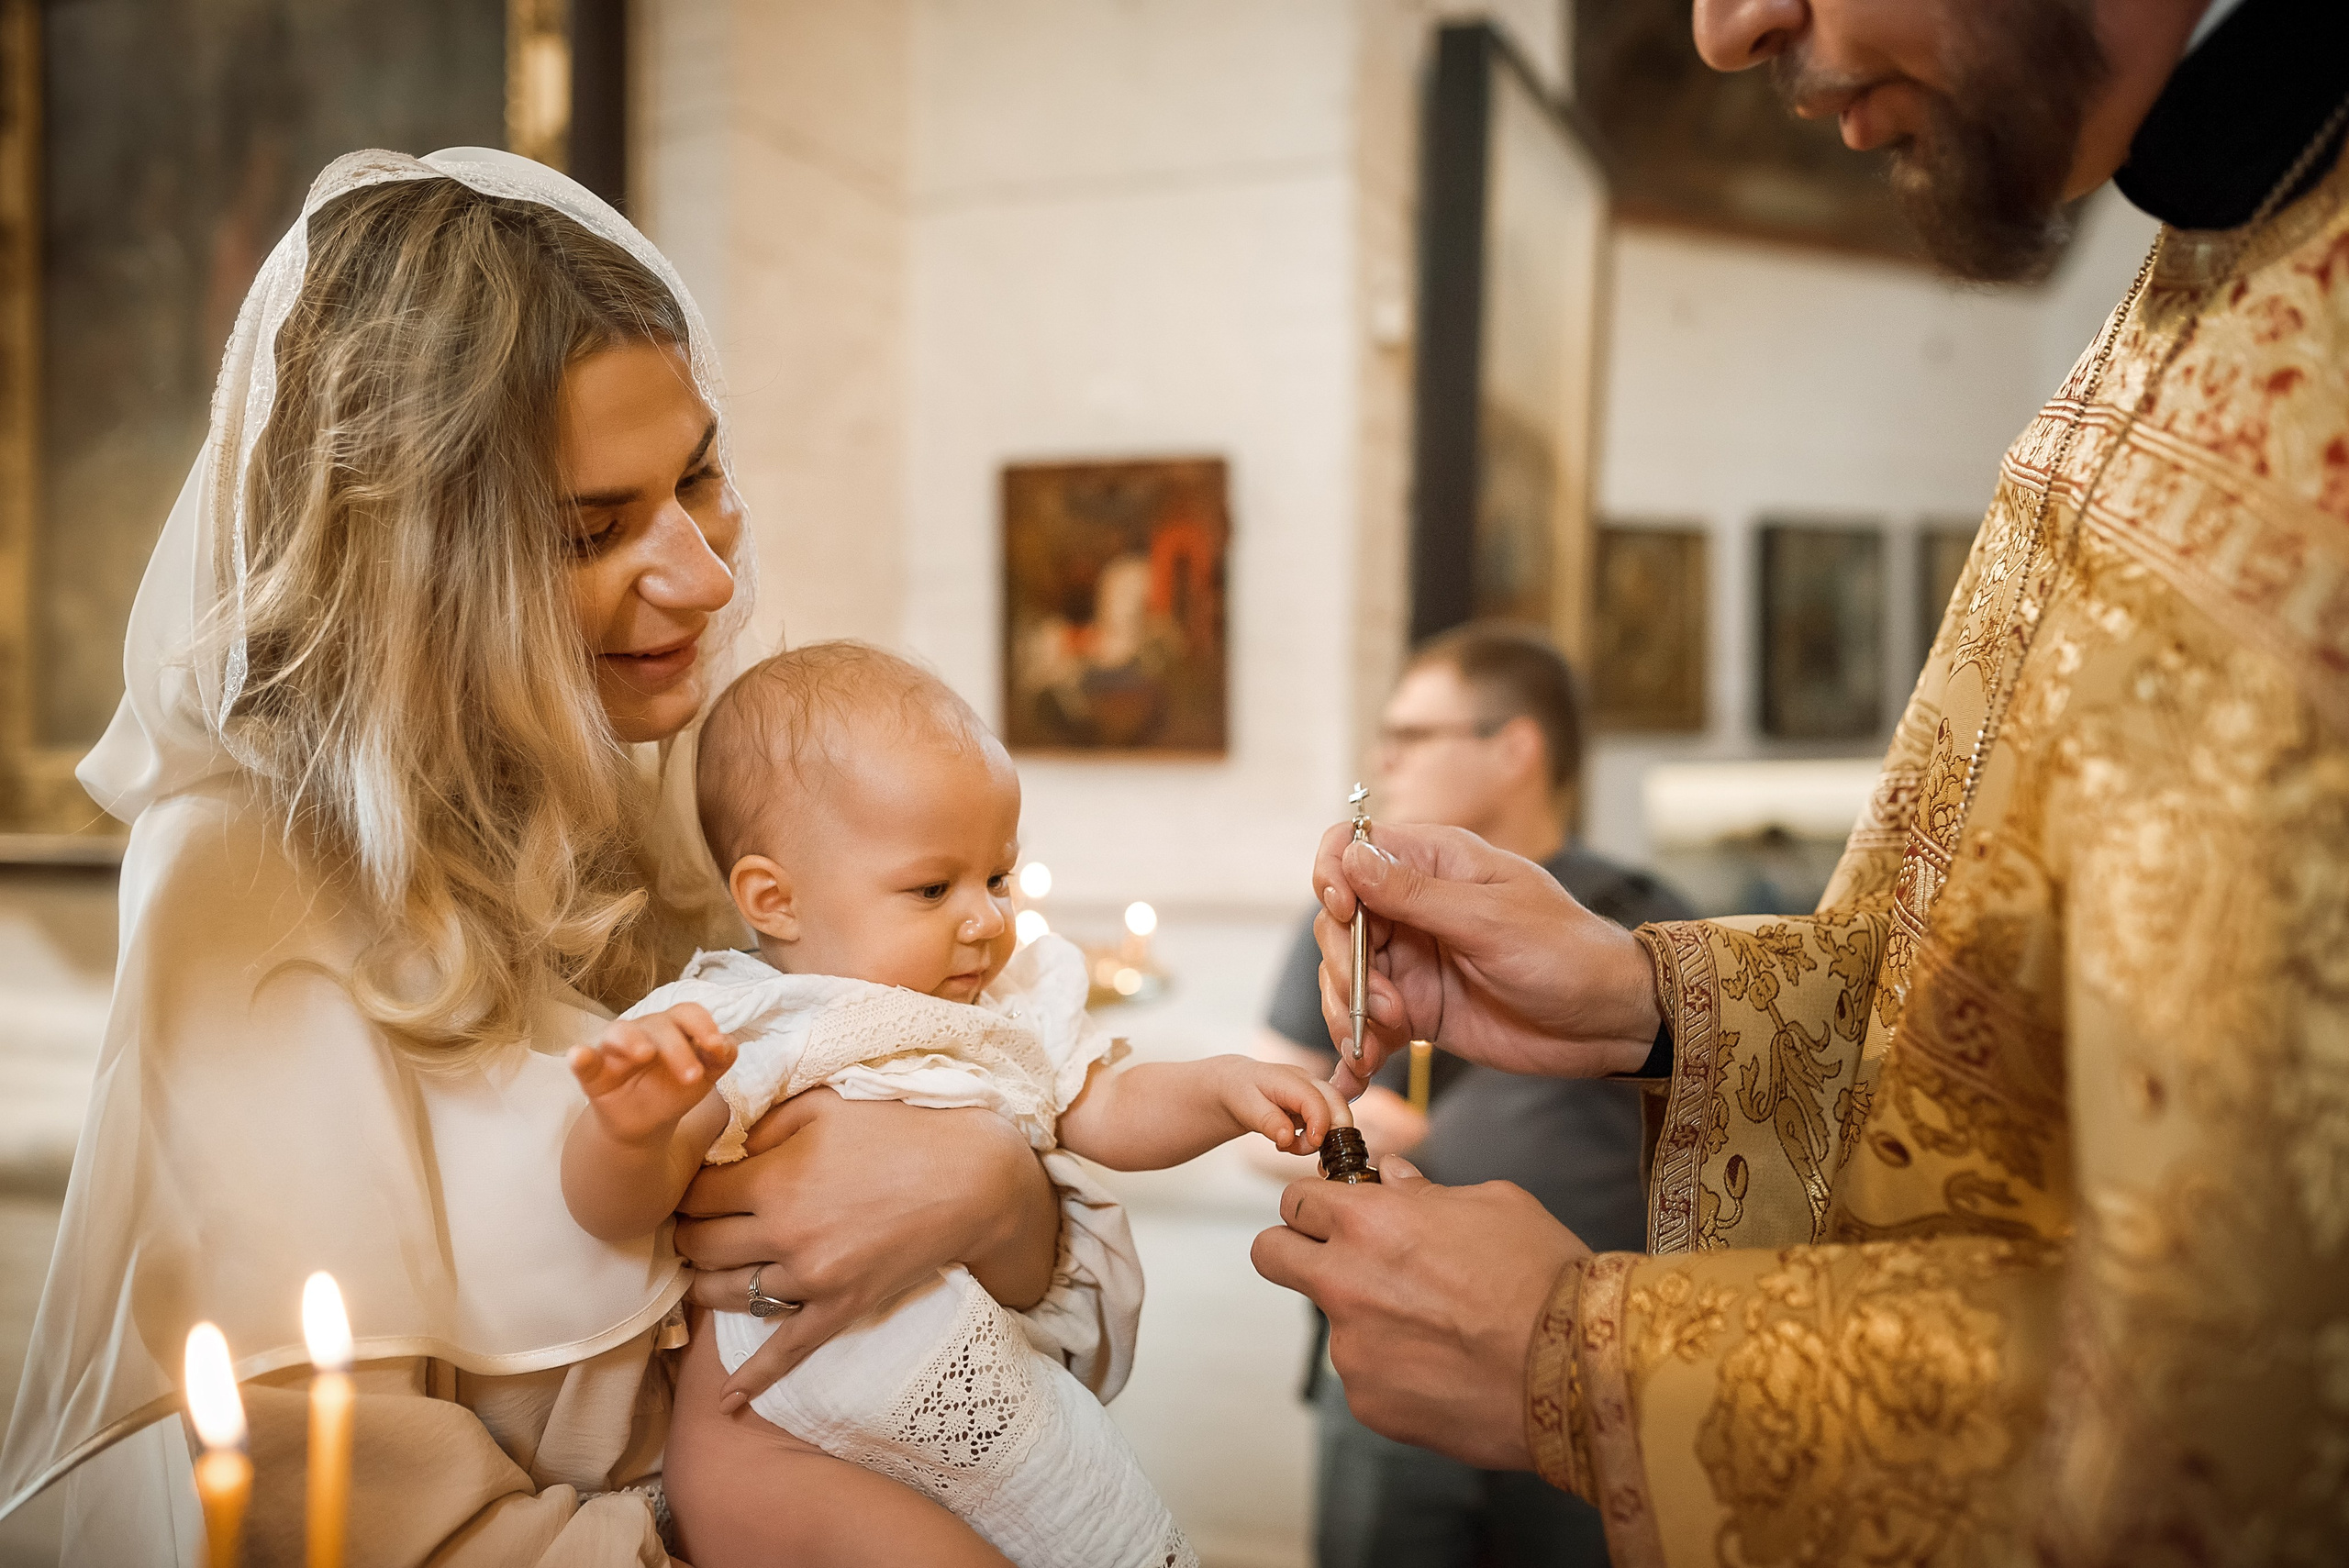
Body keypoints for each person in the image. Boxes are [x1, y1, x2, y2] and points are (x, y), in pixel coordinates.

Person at [1255, 0, 2349, 1560]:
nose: (1722, 29)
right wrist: (1652, 998)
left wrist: (1594, 1361)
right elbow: (1989, 1055)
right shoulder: (2209, 258)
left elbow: (2260, 1405)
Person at [0, 150, 1135, 1564]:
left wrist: (994, 1193)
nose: (708, 576)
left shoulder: (690, 797)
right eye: (592, 530)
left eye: (701, 478)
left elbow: (1054, 1343)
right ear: (414, 560)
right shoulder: (252, 878)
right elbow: (329, 1504)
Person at [565, 640, 1344, 1568]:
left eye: (998, 876)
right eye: (932, 887)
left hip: (961, 1401)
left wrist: (1218, 1088)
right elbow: (613, 1203)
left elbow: (1109, 1107)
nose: (983, 917)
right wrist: (635, 1124)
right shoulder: (747, 1017)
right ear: (774, 898)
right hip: (773, 1439)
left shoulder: (1008, 1004)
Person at [1255, 624, 1689, 1568]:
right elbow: (1260, 1097)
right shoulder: (1355, 914)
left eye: (1413, 734)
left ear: (1514, 746)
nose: (1384, 757)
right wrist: (1354, 1121)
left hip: (1588, 1351)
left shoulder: (1652, 921)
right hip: (1388, 1338)